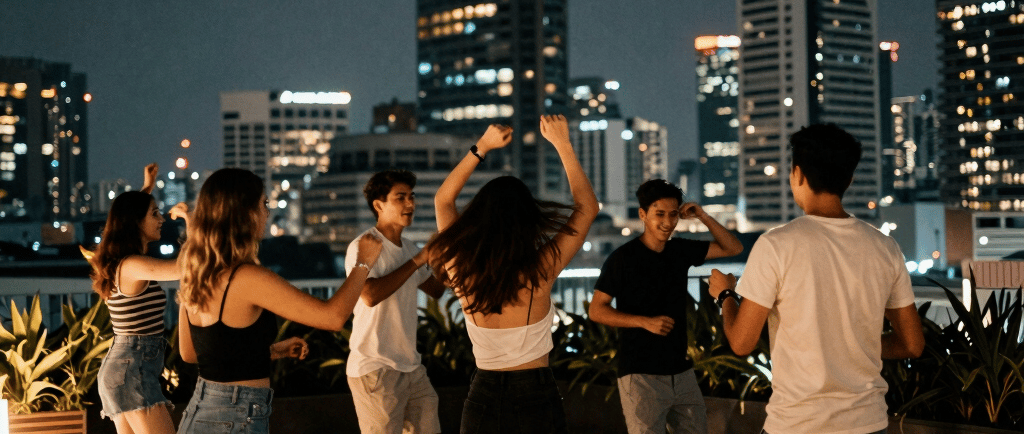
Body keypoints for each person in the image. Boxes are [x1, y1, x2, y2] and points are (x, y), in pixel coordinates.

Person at [707, 124, 925, 434]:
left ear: (797, 174)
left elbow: (742, 342)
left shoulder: (776, 245)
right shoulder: (885, 248)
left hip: (798, 425)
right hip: (868, 424)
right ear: (849, 179)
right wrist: (851, 346)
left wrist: (725, 295)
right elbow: (912, 344)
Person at [175, 168, 383, 433]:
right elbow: (332, 317)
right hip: (236, 418)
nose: (267, 213)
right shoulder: (248, 277)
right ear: (245, 212)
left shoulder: (196, 273)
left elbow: (191, 353)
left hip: (199, 413)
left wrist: (272, 351)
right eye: (263, 204)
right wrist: (363, 263)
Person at [427, 115, 598, 434]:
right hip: (534, 393)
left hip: (483, 393)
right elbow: (587, 208)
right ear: (527, 219)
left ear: (478, 216)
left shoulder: (460, 264)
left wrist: (482, 146)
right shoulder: (540, 268)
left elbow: (443, 200)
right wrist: (562, 143)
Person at [588, 179, 743, 434]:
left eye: (673, 214)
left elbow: (733, 247)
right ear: (643, 214)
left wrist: (702, 215)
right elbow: (597, 310)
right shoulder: (622, 259)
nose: (668, 222)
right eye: (659, 214)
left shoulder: (679, 250)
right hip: (640, 375)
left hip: (681, 372)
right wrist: (644, 322)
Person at [344, 169, 447, 434]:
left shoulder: (410, 248)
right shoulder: (364, 245)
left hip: (411, 366)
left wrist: (445, 260)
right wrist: (418, 260)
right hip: (375, 367)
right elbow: (369, 295)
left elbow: (436, 290)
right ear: (379, 205)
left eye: (411, 196)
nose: (410, 203)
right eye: (400, 198)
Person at [91, 163, 187, 434]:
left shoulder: (123, 263)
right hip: (133, 370)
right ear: (135, 223)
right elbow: (183, 268)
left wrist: (148, 187)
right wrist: (190, 222)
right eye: (155, 214)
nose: (162, 219)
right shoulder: (132, 265)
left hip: (123, 369)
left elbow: (131, 211)